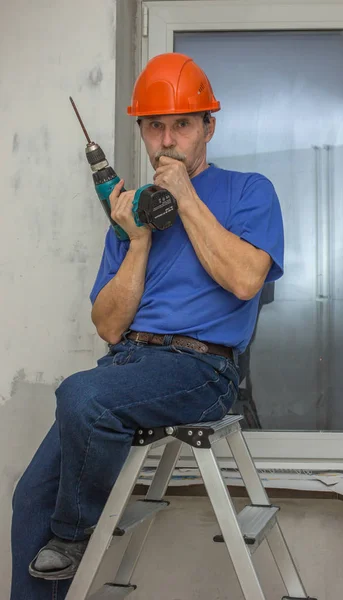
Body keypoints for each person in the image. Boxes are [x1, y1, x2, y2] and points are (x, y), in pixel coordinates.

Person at [10, 52, 284, 600]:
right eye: (155, 126)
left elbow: (247, 280)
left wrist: (185, 198)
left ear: (209, 126)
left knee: (81, 394)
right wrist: (136, 240)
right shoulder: (133, 211)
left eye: (182, 124)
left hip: (202, 368)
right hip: (130, 363)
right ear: (141, 130)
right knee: (31, 497)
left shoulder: (250, 190)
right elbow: (110, 328)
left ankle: (74, 535)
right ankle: (54, 541)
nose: (167, 139)